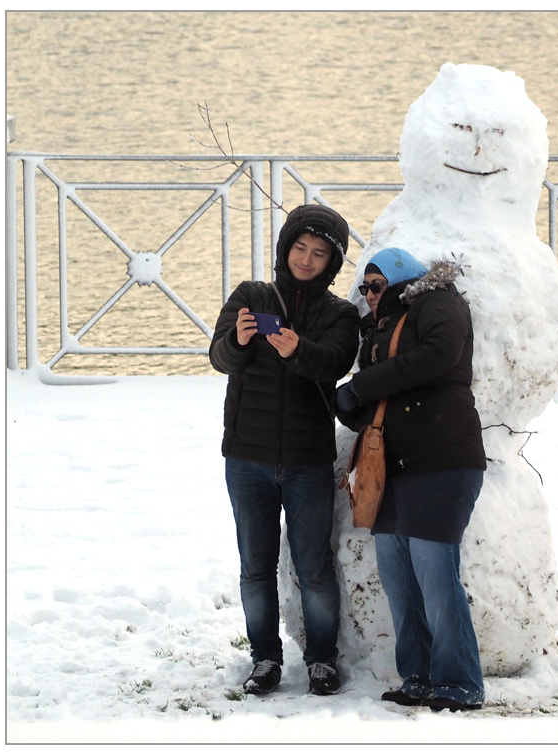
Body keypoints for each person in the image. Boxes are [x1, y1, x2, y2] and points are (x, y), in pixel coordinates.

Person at [209, 204, 360, 696]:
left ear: (331, 264)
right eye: (300, 248)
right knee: (255, 566)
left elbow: (334, 361)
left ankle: (321, 660)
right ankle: (264, 660)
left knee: (313, 566)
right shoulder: (251, 295)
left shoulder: (340, 313)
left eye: (319, 254)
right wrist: (238, 338)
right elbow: (219, 357)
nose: (307, 259)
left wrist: (298, 350)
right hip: (247, 456)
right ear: (285, 247)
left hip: (307, 462)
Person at [335, 247, 487, 712]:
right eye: (364, 288)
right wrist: (349, 402)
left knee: (435, 573)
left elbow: (438, 355)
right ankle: (417, 677)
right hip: (394, 468)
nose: (370, 295)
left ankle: (460, 682)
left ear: (402, 280)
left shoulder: (439, 301)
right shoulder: (382, 328)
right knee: (399, 578)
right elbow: (380, 391)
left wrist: (362, 386)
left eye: (377, 285)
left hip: (442, 460)